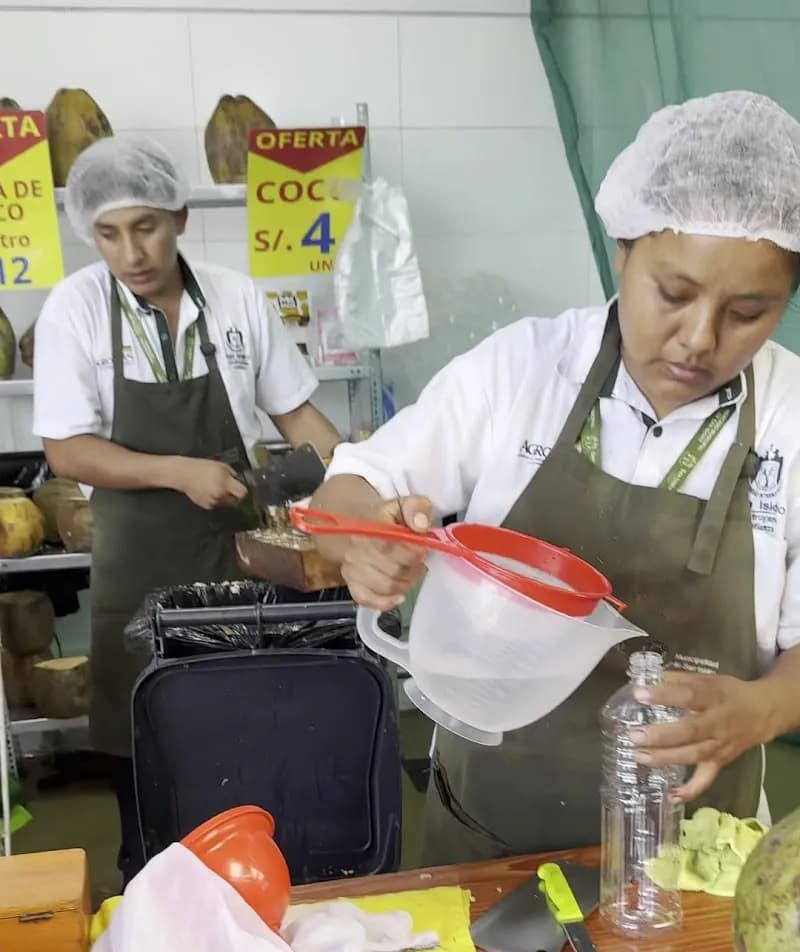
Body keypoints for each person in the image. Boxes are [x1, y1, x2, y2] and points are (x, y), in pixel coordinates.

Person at [310, 90, 800, 865]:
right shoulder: (523, 370)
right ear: (622, 253)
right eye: (672, 295)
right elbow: (352, 488)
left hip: (695, 850)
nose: (699, 339)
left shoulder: (791, 417)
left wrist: (766, 707)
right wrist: (363, 544)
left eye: (749, 312)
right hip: (493, 826)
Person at [33, 136, 340, 886]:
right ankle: (150, 891)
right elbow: (67, 449)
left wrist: (362, 486)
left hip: (237, 559)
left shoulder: (236, 297)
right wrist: (177, 472)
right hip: (137, 567)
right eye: (108, 233)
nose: (129, 250)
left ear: (179, 217)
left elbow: (299, 417)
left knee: (244, 736)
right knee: (145, 750)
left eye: (145, 227)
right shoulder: (75, 308)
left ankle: (254, 882)